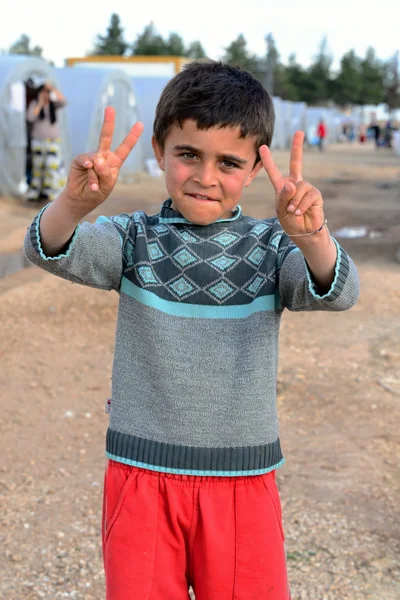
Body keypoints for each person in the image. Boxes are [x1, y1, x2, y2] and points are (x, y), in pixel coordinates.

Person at [24, 61, 359, 600]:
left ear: (253, 171)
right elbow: (52, 249)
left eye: (228, 162)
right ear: (159, 150)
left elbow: (337, 290)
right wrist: (74, 205)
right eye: (189, 154)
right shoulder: (132, 239)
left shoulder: (272, 248)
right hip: (141, 476)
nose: (206, 176)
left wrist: (313, 236)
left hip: (243, 482)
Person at [26, 82, 67, 202]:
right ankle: (36, 192)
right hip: (38, 142)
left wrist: (53, 88)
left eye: (47, 93)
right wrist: (39, 104)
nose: (45, 95)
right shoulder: (35, 105)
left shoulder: (54, 105)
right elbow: (30, 117)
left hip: (53, 142)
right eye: (43, 92)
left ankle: (51, 192)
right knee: (38, 168)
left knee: (52, 167)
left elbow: (63, 101)